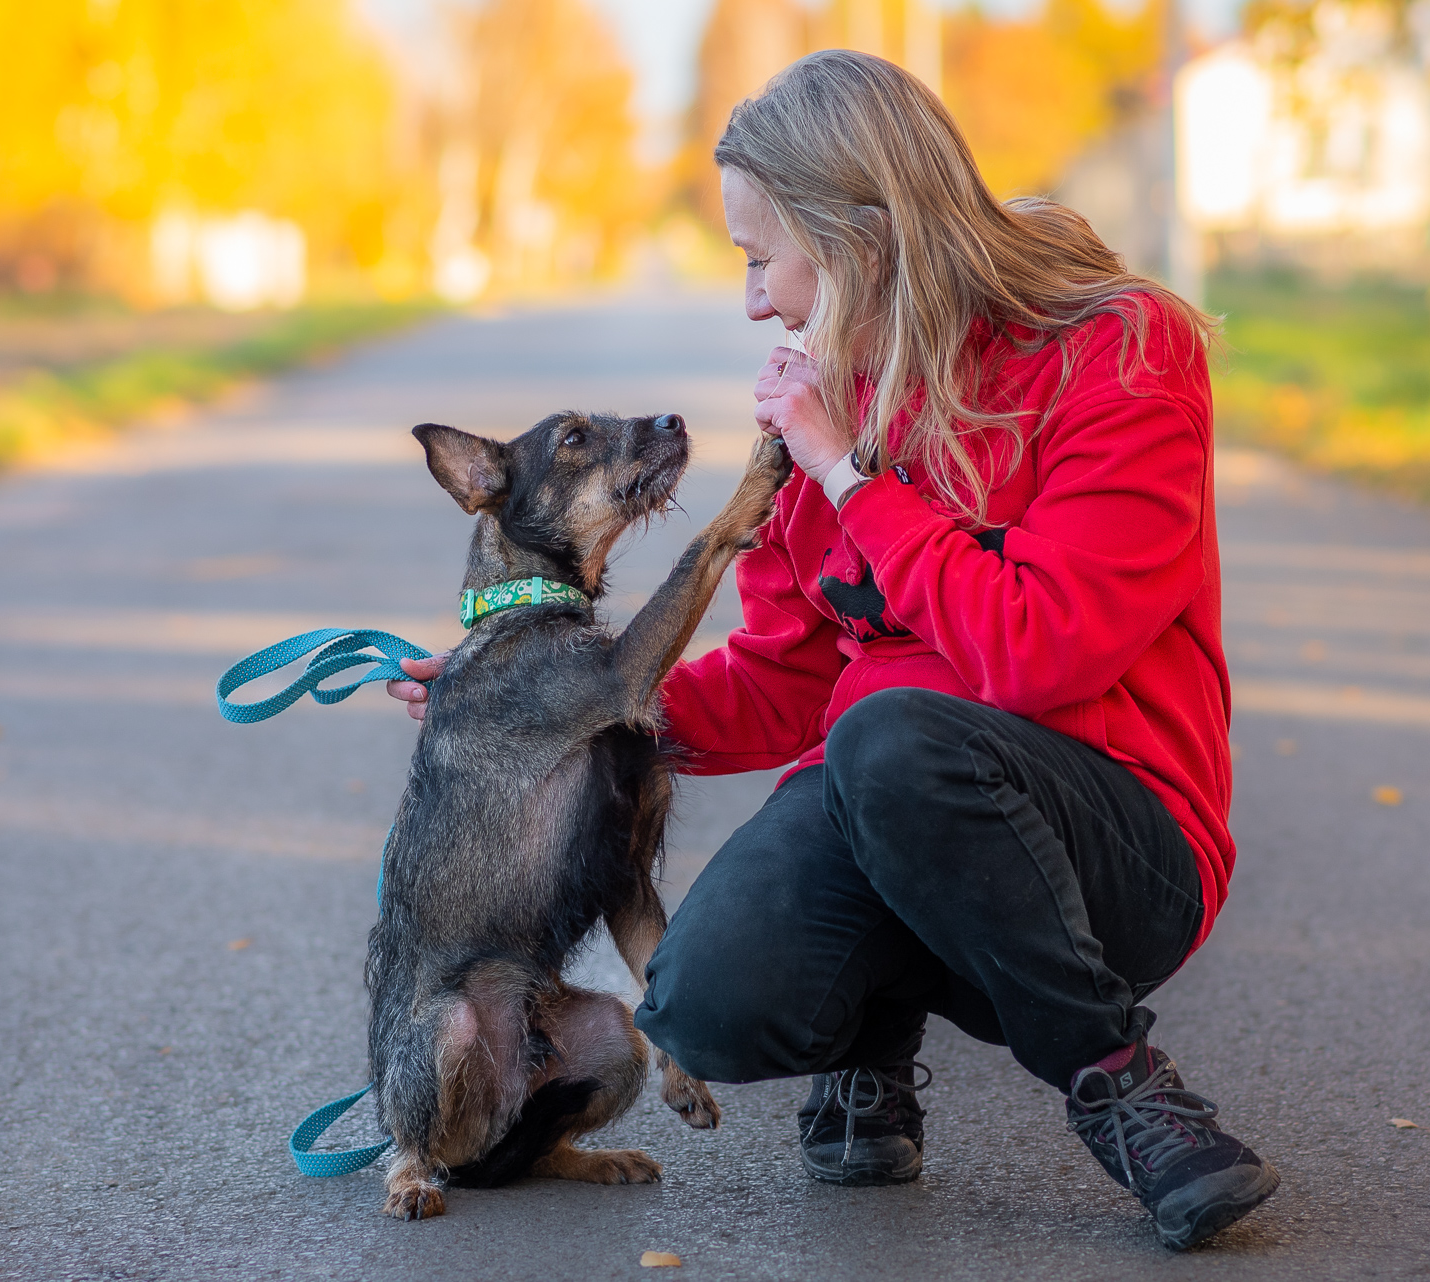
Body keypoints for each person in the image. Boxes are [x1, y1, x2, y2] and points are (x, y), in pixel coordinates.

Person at [389, 49, 1277, 1250]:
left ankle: (1123, 1085)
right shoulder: (827, 397)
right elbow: (783, 677)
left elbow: (1041, 650)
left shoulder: (1119, 354)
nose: (755, 300)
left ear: (859, 238)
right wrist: (544, 706)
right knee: (702, 999)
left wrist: (852, 477)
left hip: (1119, 837)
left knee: (894, 737)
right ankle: (871, 1035)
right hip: (889, 792)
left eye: (763, 260)